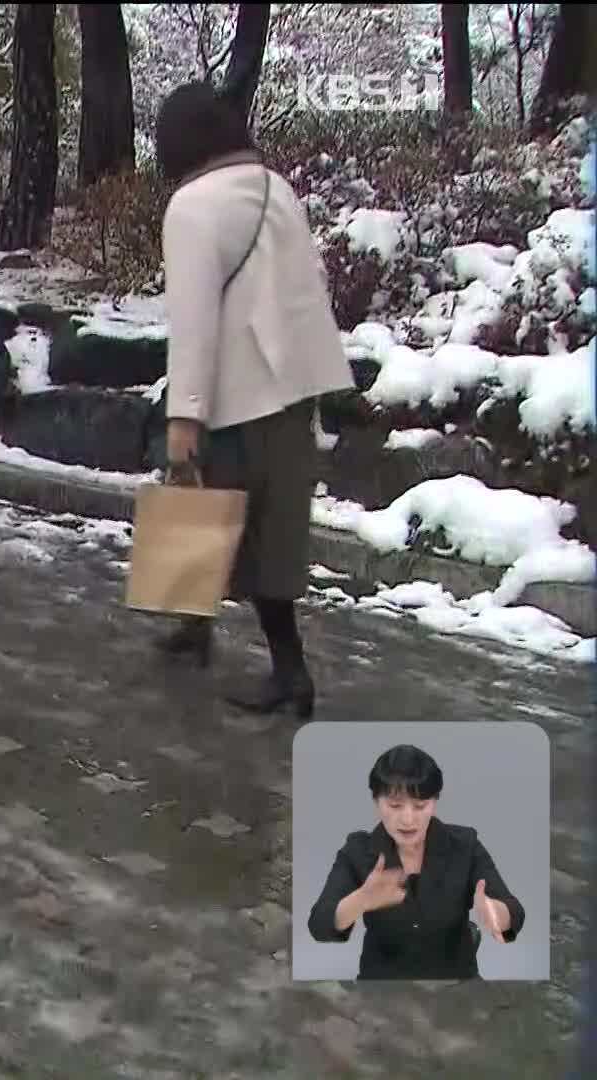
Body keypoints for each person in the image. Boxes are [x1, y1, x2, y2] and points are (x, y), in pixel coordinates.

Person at [150, 82, 354, 717]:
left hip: (236, 391)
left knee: (202, 501)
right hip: (294, 385)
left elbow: (193, 319)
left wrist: (185, 412)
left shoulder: (190, 206)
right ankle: (194, 626)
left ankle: (287, 671)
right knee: (271, 529)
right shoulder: (277, 188)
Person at [306, 745, 525, 980]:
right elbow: (319, 924)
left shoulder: (465, 845)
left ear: (435, 802)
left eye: (420, 806)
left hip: (456, 982)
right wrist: (361, 900)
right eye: (395, 805)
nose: (408, 819)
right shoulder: (358, 851)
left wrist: (497, 913)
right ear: (376, 801)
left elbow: (513, 910)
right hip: (382, 983)